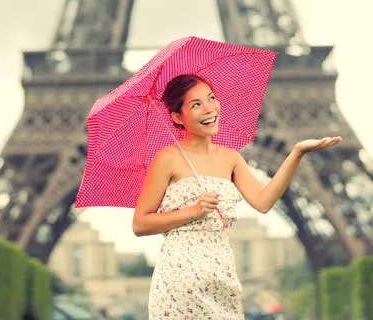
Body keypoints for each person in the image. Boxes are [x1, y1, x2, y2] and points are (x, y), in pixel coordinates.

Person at [132, 74, 341, 319]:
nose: (209, 108)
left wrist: (296, 153)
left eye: (211, 98)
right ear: (178, 117)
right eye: (196, 104)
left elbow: (263, 202)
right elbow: (140, 223)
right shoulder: (168, 158)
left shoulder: (231, 158)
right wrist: (194, 211)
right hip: (181, 281)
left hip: (223, 279)